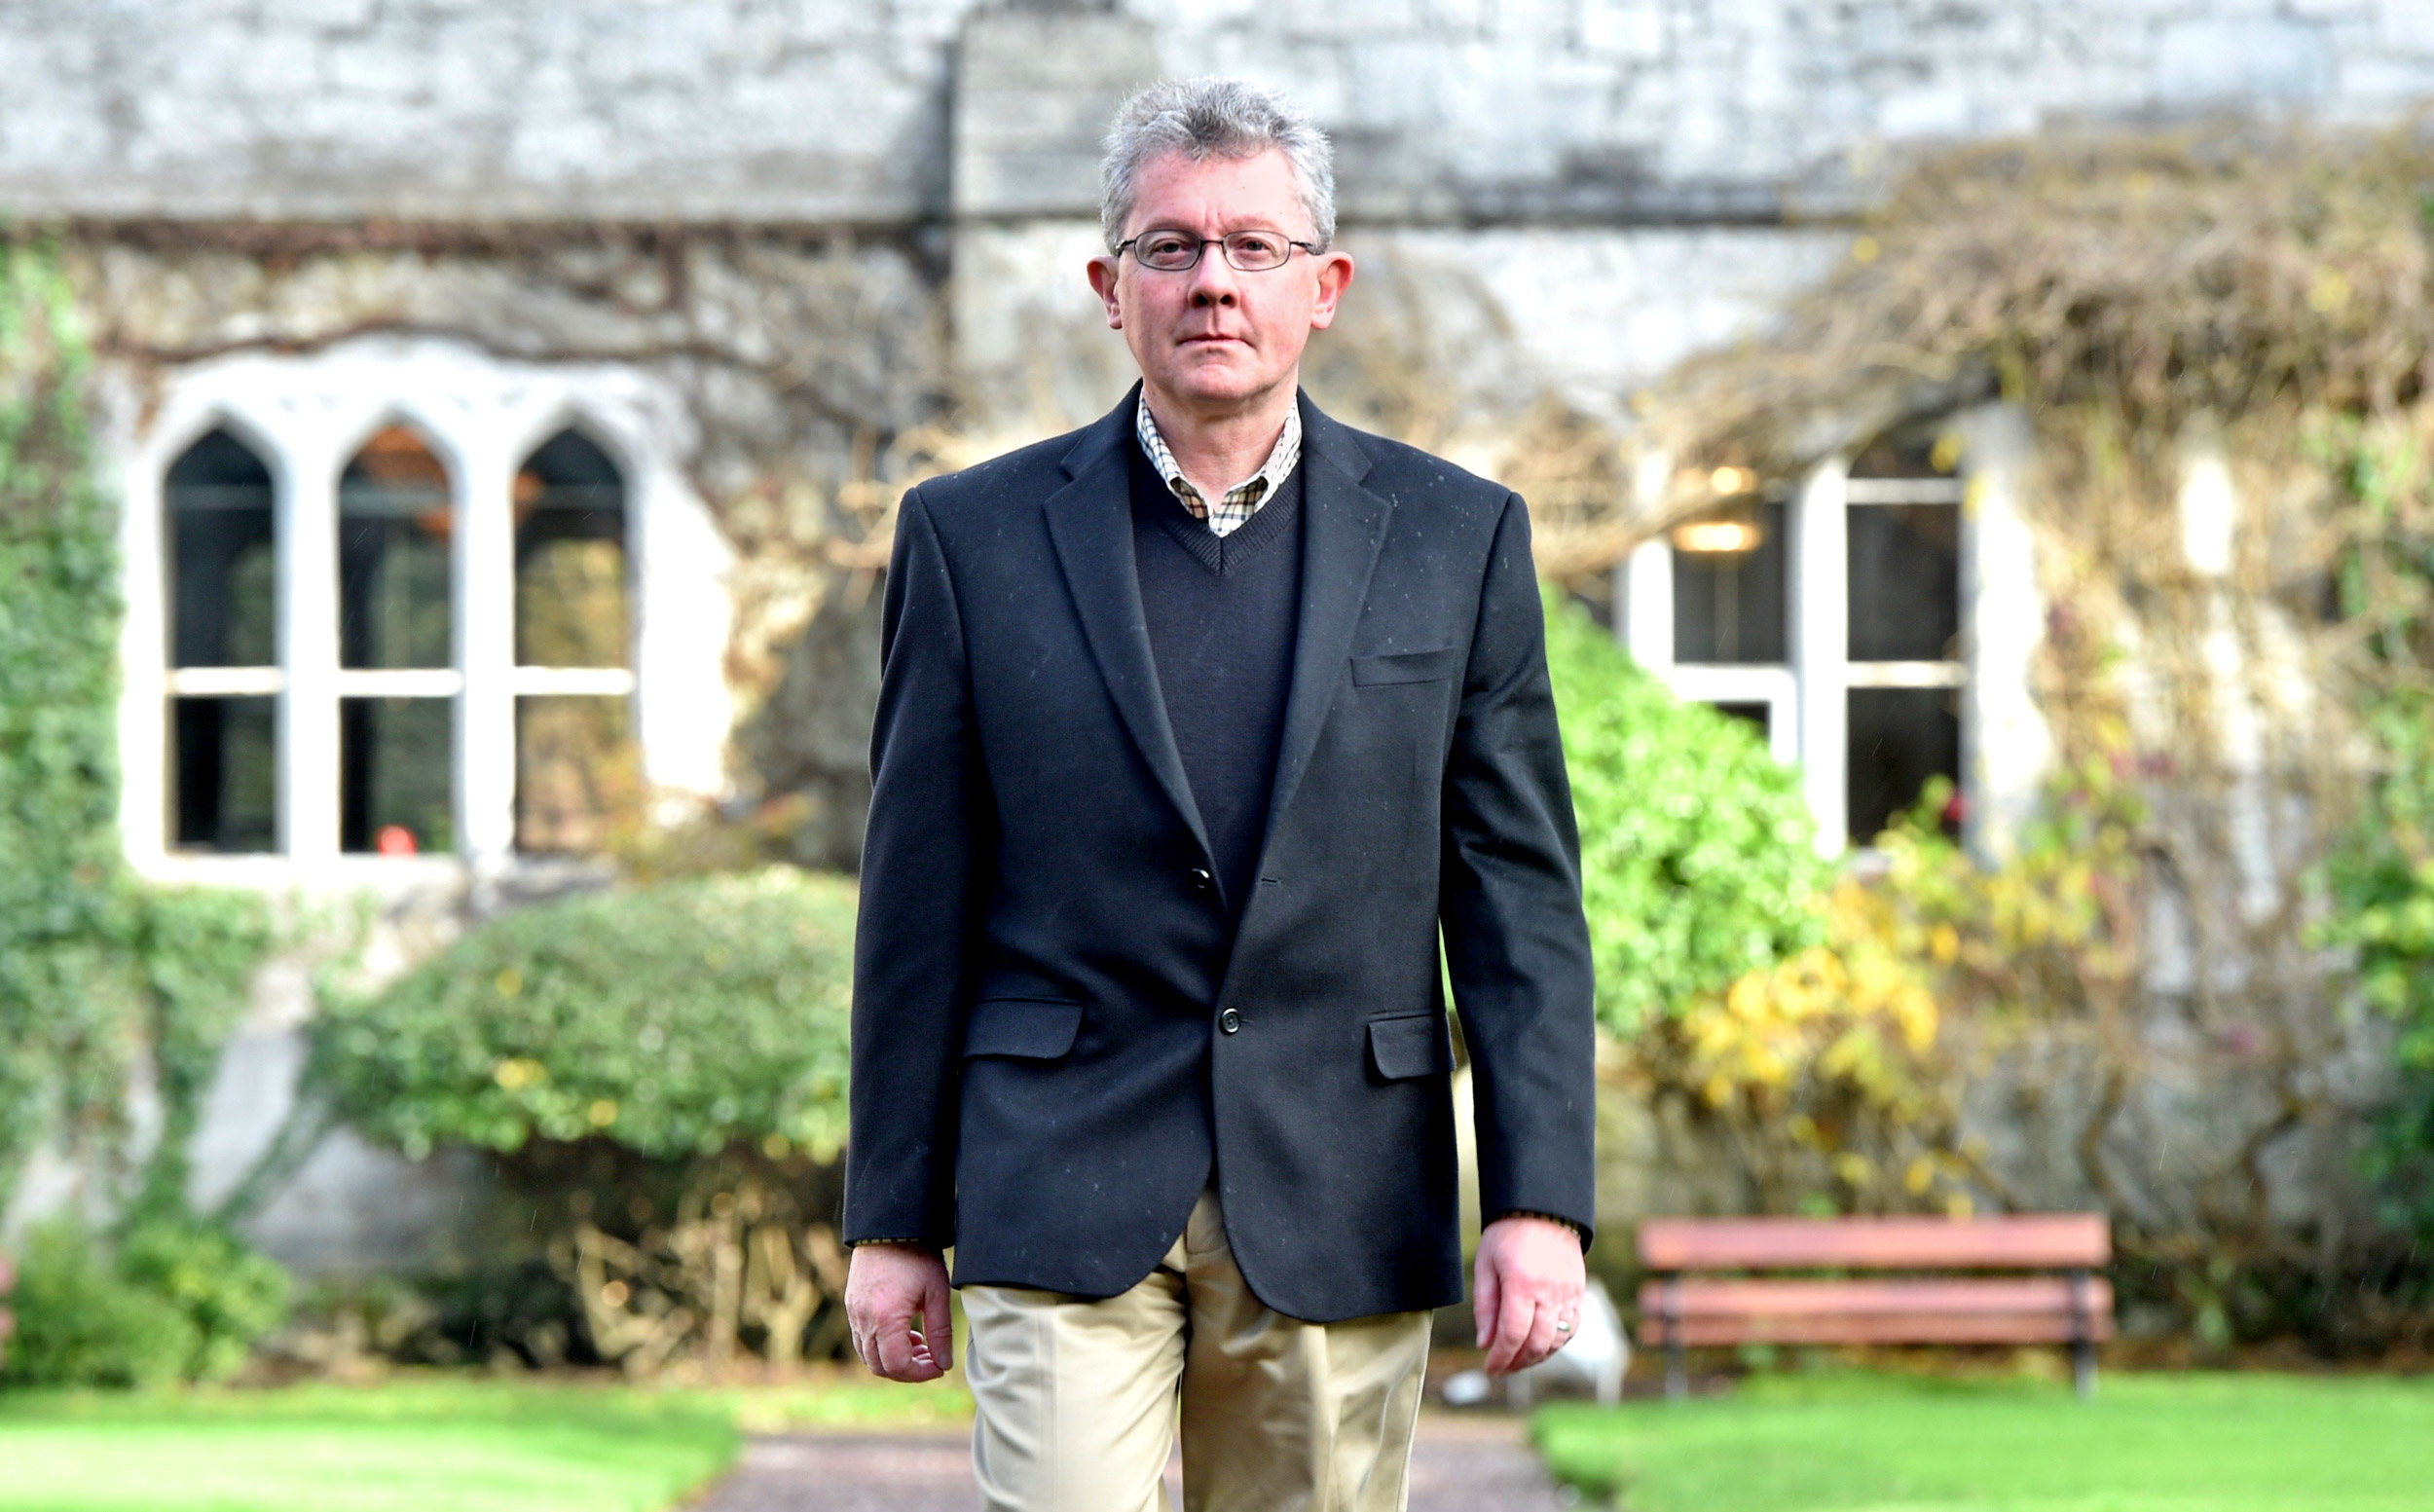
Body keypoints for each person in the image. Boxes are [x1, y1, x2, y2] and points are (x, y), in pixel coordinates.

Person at [843, 76, 1596, 1512]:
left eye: (1254, 248)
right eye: (1170, 247)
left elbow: (1519, 902)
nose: (1212, 284)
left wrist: (1538, 1199)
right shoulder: (969, 538)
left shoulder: (1458, 539)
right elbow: (915, 903)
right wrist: (892, 1212)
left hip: (1341, 1176)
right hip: (1056, 1168)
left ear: (1326, 286)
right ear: (1105, 285)